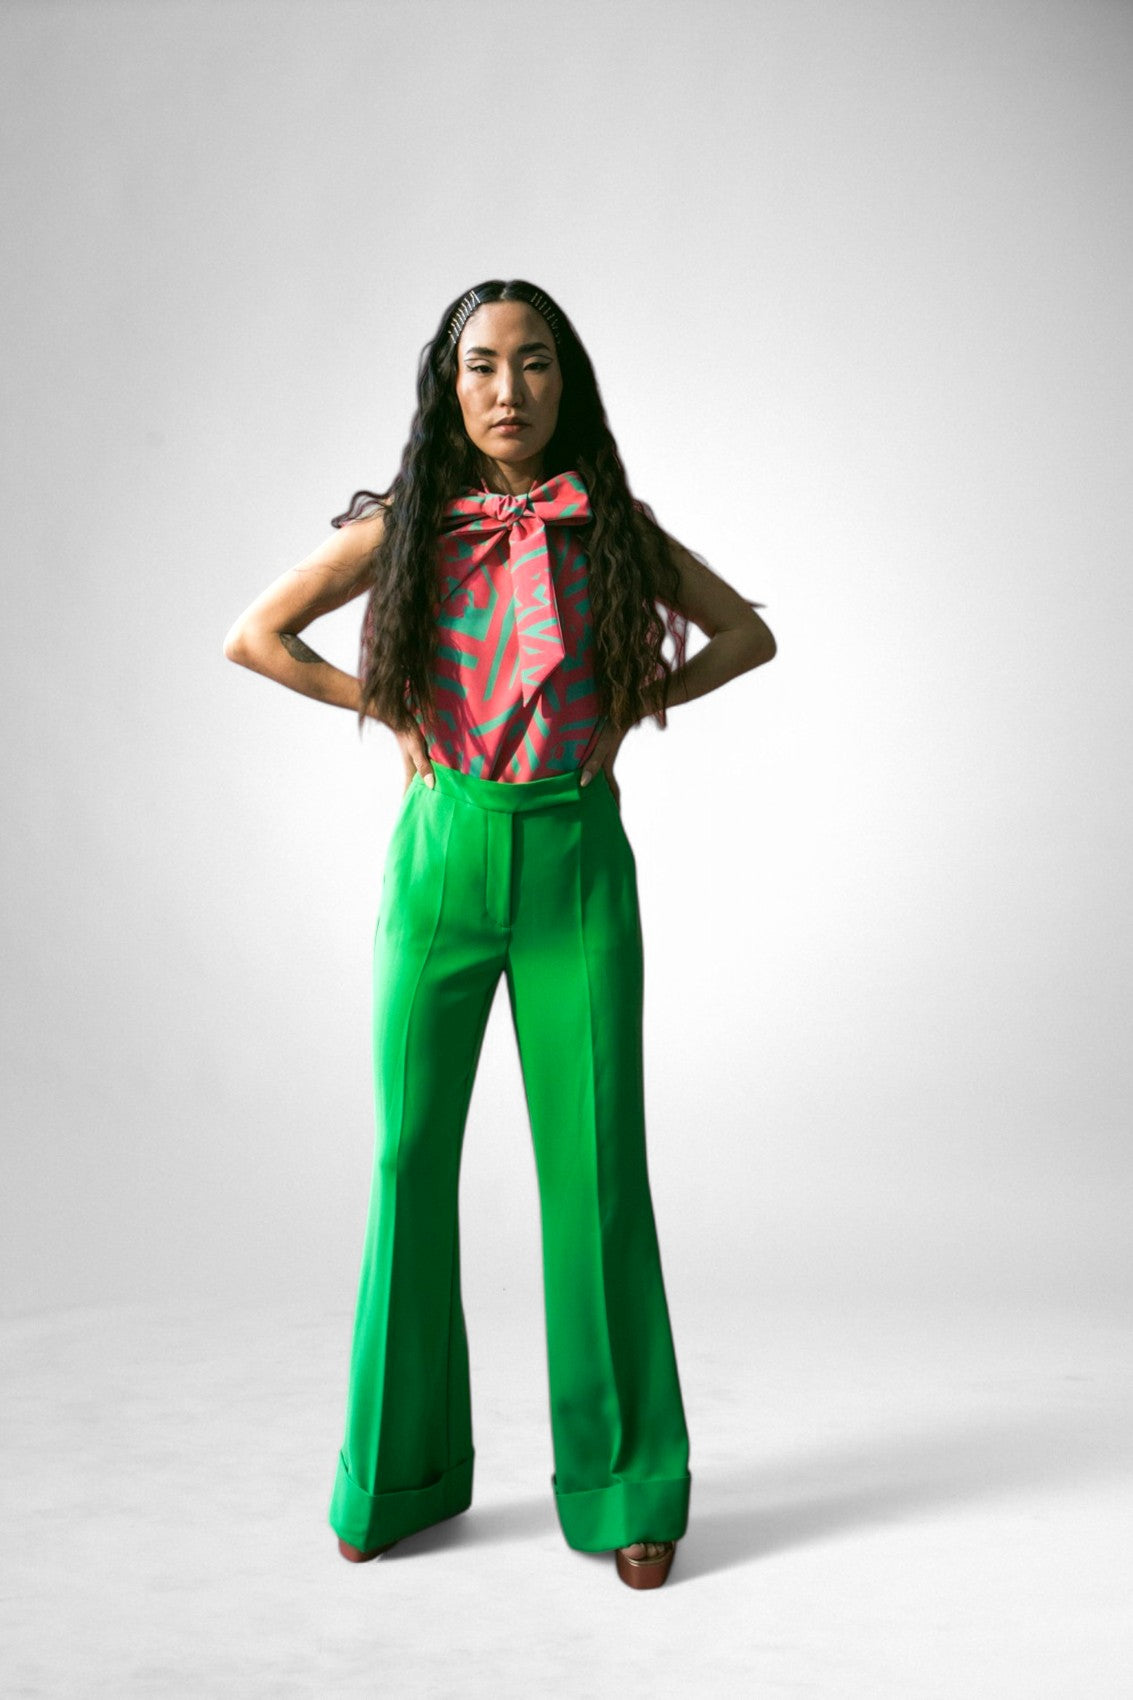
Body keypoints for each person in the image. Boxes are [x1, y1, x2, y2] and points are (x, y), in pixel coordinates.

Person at [223, 277, 777, 1590]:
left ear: (564, 381)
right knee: (409, 1159)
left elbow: (746, 635)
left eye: (533, 362)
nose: (508, 389)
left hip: (576, 860)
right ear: (448, 385)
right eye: (481, 365)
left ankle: (626, 1487)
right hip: (445, 855)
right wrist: (390, 710)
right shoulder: (403, 527)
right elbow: (256, 636)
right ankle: (395, 1477)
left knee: (595, 1171)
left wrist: (632, 701)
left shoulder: (608, 524)